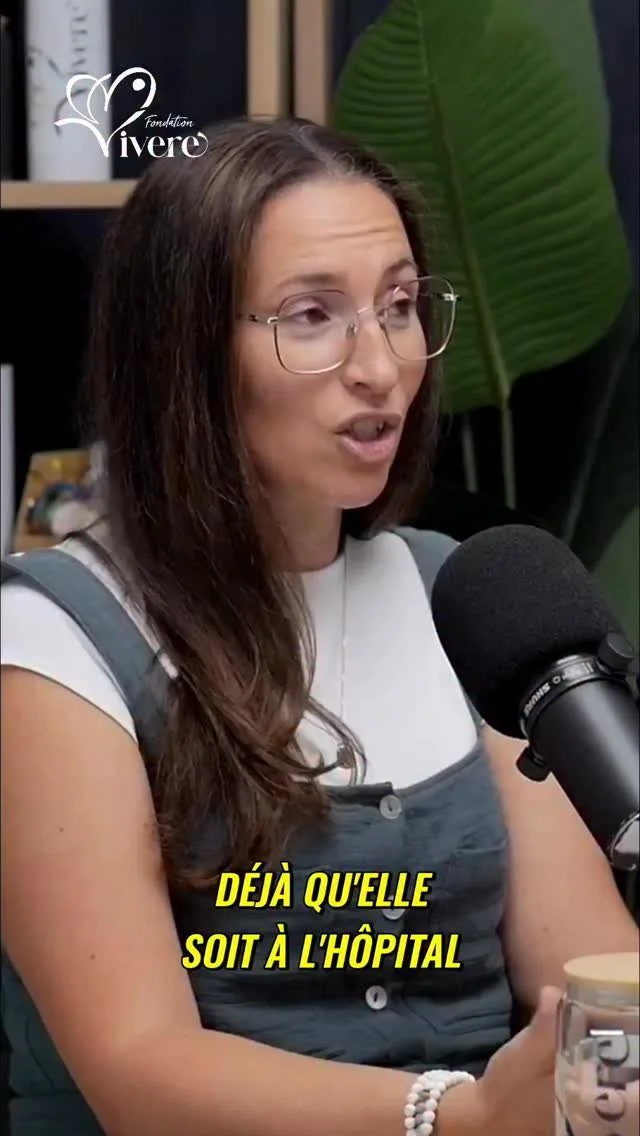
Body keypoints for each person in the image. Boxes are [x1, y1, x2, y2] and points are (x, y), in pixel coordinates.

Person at [1, 116, 637, 1136]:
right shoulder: (52, 639)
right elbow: (139, 1070)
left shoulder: (463, 598)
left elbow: (591, 976)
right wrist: (455, 1115)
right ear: (185, 351)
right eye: (312, 315)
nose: (380, 365)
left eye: (400, 306)